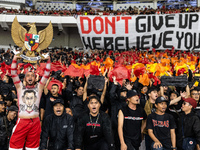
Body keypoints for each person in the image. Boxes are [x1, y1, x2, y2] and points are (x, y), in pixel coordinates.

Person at [9, 55, 51, 150]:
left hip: (35, 122)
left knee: (33, 148)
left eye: (32, 75)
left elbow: (47, 74)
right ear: (24, 78)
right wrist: (15, 59)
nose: (30, 77)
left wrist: (48, 60)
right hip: (22, 122)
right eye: (28, 75)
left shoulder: (39, 88)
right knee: (15, 147)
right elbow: (13, 73)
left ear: (35, 78)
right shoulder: (20, 87)